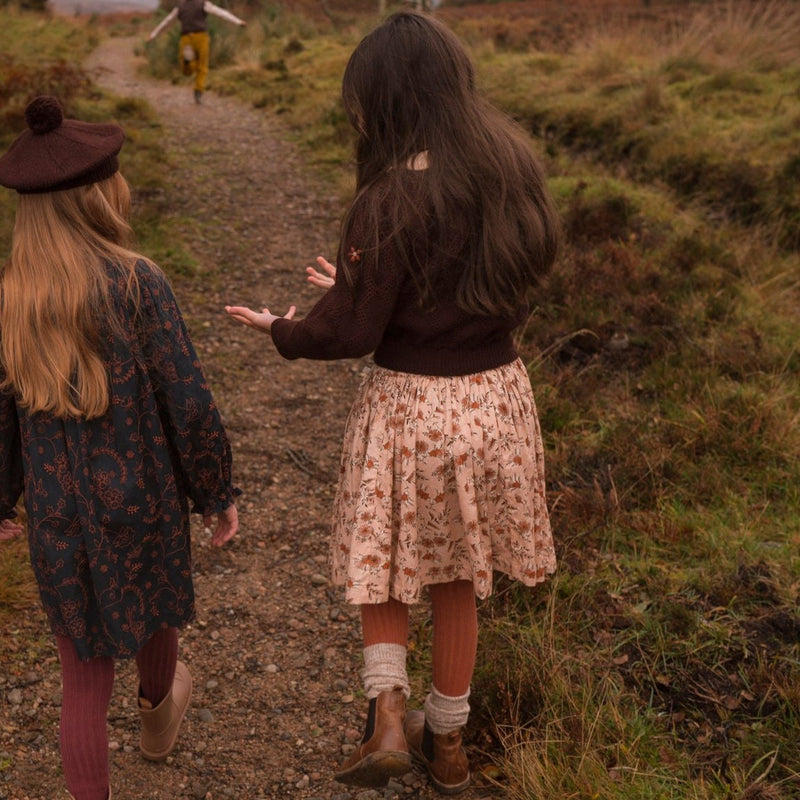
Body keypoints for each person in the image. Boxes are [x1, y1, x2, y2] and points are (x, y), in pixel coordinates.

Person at [226, 9, 559, 795]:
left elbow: (347, 335)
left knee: (382, 567)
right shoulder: (512, 168)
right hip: (493, 401)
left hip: (409, 407)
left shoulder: (387, 198)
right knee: (457, 576)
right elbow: (488, 284)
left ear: (384, 97)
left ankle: (385, 716)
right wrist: (356, 287)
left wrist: (286, 326)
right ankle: (448, 747)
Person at [0, 95, 239, 800]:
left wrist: (1, 496)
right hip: (143, 501)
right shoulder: (139, 282)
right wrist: (214, 491)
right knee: (154, 607)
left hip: (56, 517)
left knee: (82, 683)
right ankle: (158, 714)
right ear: (99, 195)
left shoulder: (10, 300)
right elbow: (188, 400)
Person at [146, 0, 247, 104]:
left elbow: (166, 22)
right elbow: (221, 13)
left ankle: (188, 63)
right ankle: (198, 91)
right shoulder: (203, 4)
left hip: (186, 38)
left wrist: (153, 35)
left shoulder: (180, 7)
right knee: (202, 66)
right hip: (201, 37)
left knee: (187, 70)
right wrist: (238, 22)